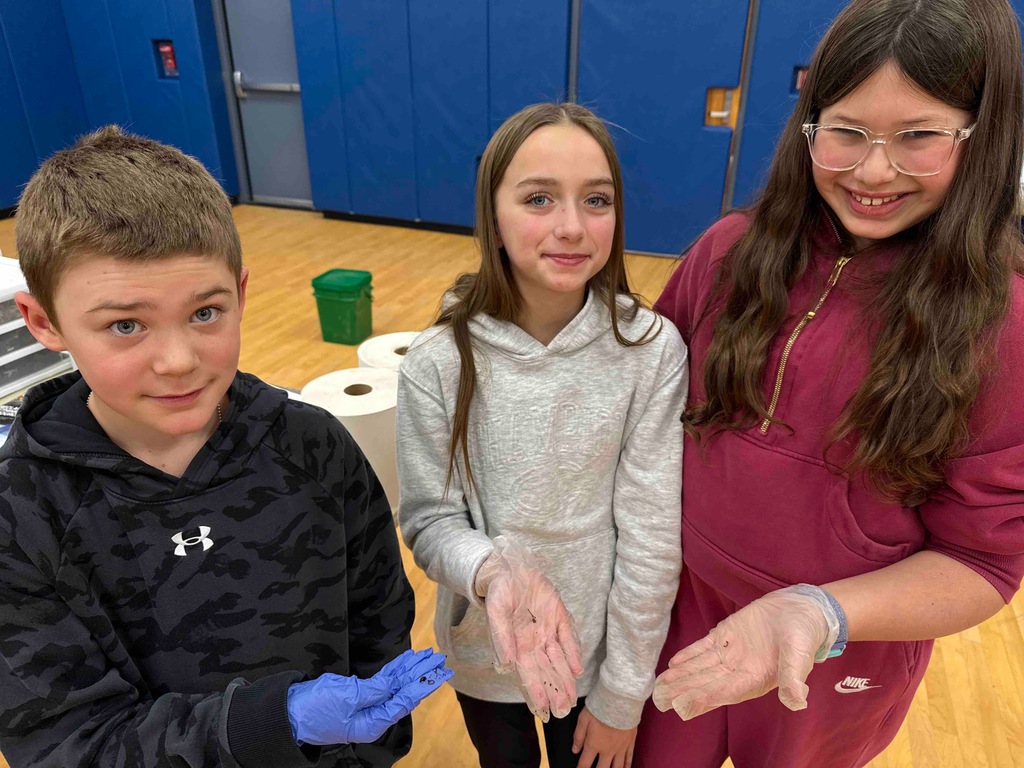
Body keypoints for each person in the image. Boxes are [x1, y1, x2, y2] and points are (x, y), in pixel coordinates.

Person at [635, 1, 1024, 766]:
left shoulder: (1002, 326)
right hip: (674, 611)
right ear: (808, 125)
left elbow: (983, 562)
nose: (874, 171)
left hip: (835, 654)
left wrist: (821, 612)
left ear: (982, 138)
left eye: (919, 136)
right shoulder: (724, 253)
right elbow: (632, 410)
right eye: (846, 131)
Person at [0, 126, 451, 768]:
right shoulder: (23, 515)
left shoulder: (314, 445)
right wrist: (270, 725)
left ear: (240, 294)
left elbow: (377, 612)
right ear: (44, 322)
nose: (179, 361)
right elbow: (63, 742)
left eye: (205, 313)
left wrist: (366, 747)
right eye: (125, 325)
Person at [396, 102, 688, 768]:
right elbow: (430, 521)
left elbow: (650, 535)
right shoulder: (436, 362)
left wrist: (621, 696)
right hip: (484, 657)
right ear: (492, 215)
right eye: (537, 198)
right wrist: (493, 572)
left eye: (596, 200)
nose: (571, 227)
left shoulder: (650, 350)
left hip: (601, 660)